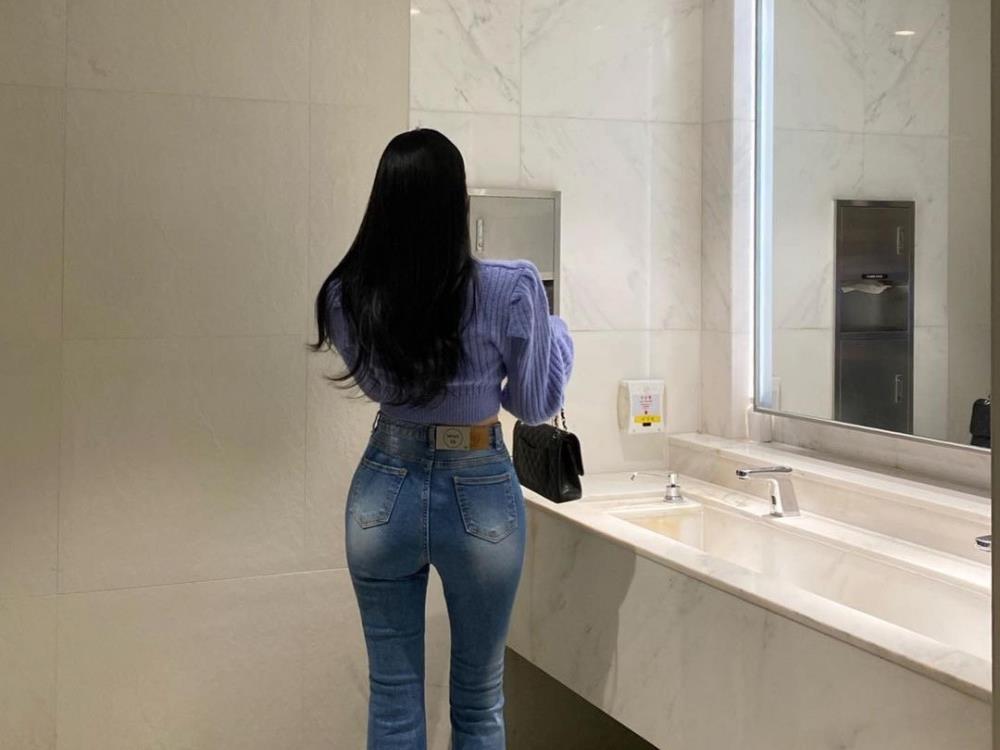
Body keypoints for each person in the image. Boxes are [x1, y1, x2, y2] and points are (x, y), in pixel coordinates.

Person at [310, 128, 574, 750]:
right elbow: (534, 404)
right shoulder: (512, 287)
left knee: (393, 699)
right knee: (479, 702)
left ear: (383, 201)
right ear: (459, 203)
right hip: (479, 486)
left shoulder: (347, 295)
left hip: (385, 486)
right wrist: (557, 335)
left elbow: (380, 385)